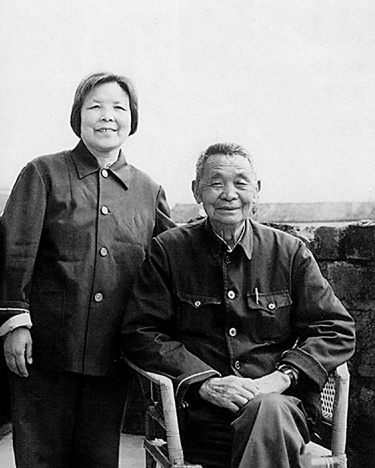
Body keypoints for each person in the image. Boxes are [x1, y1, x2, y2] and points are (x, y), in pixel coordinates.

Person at [122, 142, 355, 468]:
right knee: (268, 420)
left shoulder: (289, 253)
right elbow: (141, 332)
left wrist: (283, 377)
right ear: (196, 191)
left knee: (268, 409)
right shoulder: (169, 252)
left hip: (282, 408)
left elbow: (336, 329)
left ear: (256, 190)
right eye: (216, 183)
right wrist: (205, 383)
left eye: (241, 183)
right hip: (200, 415)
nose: (229, 194)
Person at [0, 71, 175, 468]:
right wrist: (15, 324)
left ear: (132, 119)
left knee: (98, 459)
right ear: (78, 116)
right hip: (44, 350)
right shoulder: (43, 173)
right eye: (95, 107)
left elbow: (169, 264)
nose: (107, 116)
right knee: (39, 457)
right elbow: (15, 250)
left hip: (112, 354)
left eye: (118, 108)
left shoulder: (148, 191)